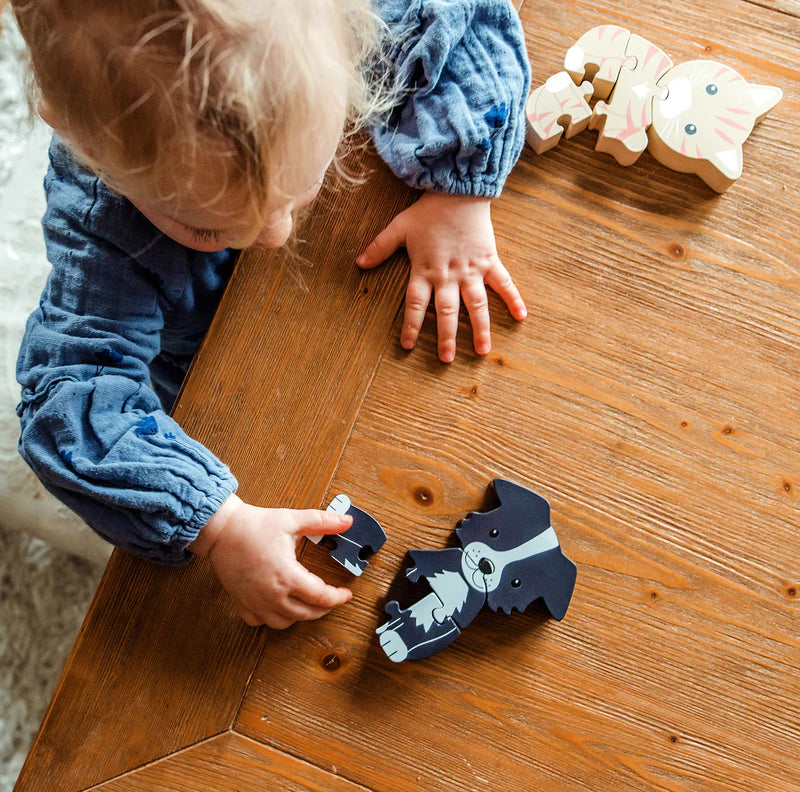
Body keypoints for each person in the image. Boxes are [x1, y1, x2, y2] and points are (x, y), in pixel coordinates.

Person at [12, 0, 531, 629]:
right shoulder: (102, 225)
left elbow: (457, 18)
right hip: (215, 379)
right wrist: (218, 524)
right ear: (77, 136)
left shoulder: (324, 19)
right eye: (207, 227)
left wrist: (459, 187)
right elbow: (68, 402)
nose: (275, 233)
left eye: (302, 183)